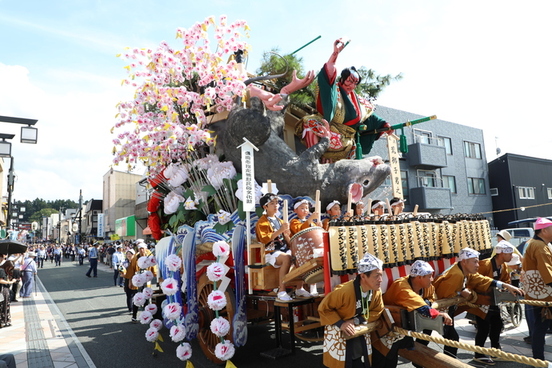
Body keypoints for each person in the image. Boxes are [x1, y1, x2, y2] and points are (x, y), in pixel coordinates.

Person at [298, 38, 392, 162]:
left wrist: (385, 125)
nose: (351, 85)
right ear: (342, 78)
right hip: (327, 129)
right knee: (309, 122)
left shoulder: (358, 100)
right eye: (349, 80)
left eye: (355, 83)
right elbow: (329, 75)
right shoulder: (334, 89)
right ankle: (311, 161)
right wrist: (335, 54)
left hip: (345, 140)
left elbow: (371, 117)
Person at [432, 247, 523, 358]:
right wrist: (461, 292)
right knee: (453, 338)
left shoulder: (465, 271)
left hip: (474, 303)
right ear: (464, 262)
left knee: (448, 337)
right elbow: (443, 296)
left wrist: (505, 285)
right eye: (475, 262)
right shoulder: (457, 274)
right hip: (440, 309)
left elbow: (481, 279)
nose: (478, 265)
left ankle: (442, 361)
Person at [318, 252, 384, 368]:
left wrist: (356, 320)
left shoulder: (375, 291)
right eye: (376, 276)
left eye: (381, 275)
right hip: (339, 330)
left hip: (359, 329)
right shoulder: (344, 291)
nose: (380, 280)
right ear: (363, 276)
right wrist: (341, 323)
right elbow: (324, 309)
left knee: (359, 359)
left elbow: (378, 310)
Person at [382, 260, 453, 367]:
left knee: (393, 358)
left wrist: (429, 303)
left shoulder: (427, 286)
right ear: (419, 277)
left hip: (402, 327)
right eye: (429, 276)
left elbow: (431, 298)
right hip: (386, 326)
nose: (432, 279)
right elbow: (420, 305)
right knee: (386, 360)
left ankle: (418, 360)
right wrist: (438, 314)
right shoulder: (401, 286)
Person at [255, 193, 311, 301]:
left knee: (301, 255)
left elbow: (287, 240)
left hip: (283, 250)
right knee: (286, 258)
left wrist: (287, 236)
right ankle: (281, 290)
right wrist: (281, 230)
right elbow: (265, 239)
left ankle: (300, 287)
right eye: (272, 203)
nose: (276, 205)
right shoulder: (262, 222)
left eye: (276, 203)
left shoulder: (280, 221)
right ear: (265, 207)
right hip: (270, 252)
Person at [466, 241, 514, 365]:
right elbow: (475, 279)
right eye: (510, 253)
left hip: (493, 300)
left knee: (497, 324)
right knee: (483, 328)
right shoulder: (485, 264)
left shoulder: (502, 266)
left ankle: (495, 349)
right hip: (481, 300)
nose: (512, 256)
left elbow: (505, 280)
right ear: (501, 253)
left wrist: (505, 289)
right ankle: (479, 353)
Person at [521, 217, 552, 360]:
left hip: (537, 292)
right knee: (541, 327)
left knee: (540, 327)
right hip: (545, 294)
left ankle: (538, 358)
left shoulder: (532, 243)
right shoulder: (540, 247)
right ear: (544, 231)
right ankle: (538, 359)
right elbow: (547, 273)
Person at [124, 243, 156, 323]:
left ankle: (147, 316)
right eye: (139, 249)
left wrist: (156, 275)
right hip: (138, 281)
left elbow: (154, 268)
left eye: (142, 248)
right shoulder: (135, 257)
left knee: (147, 299)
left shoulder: (149, 256)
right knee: (137, 298)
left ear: (145, 248)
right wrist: (130, 281)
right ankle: (134, 316)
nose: (141, 250)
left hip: (147, 280)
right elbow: (131, 270)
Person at [0, 255, 16, 328]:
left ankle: (5, 321)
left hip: (4, 290)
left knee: (5, 306)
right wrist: (10, 282)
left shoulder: (4, 271)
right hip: (3, 290)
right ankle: (3, 321)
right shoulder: (1, 270)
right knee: (3, 305)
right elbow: (1, 281)